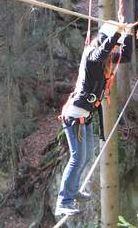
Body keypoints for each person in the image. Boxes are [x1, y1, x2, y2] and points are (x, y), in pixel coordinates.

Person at [55, 22, 132, 216]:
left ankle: (73, 191)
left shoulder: (105, 59)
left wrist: (128, 36)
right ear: (105, 40)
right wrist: (117, 33)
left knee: (87, 156)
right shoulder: (91, 55)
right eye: (112, 45)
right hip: (74, 117)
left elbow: (127, 56)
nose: (113, 49)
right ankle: (64, 200)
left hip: (85, 117)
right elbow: (102, 51)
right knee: (77, 158)